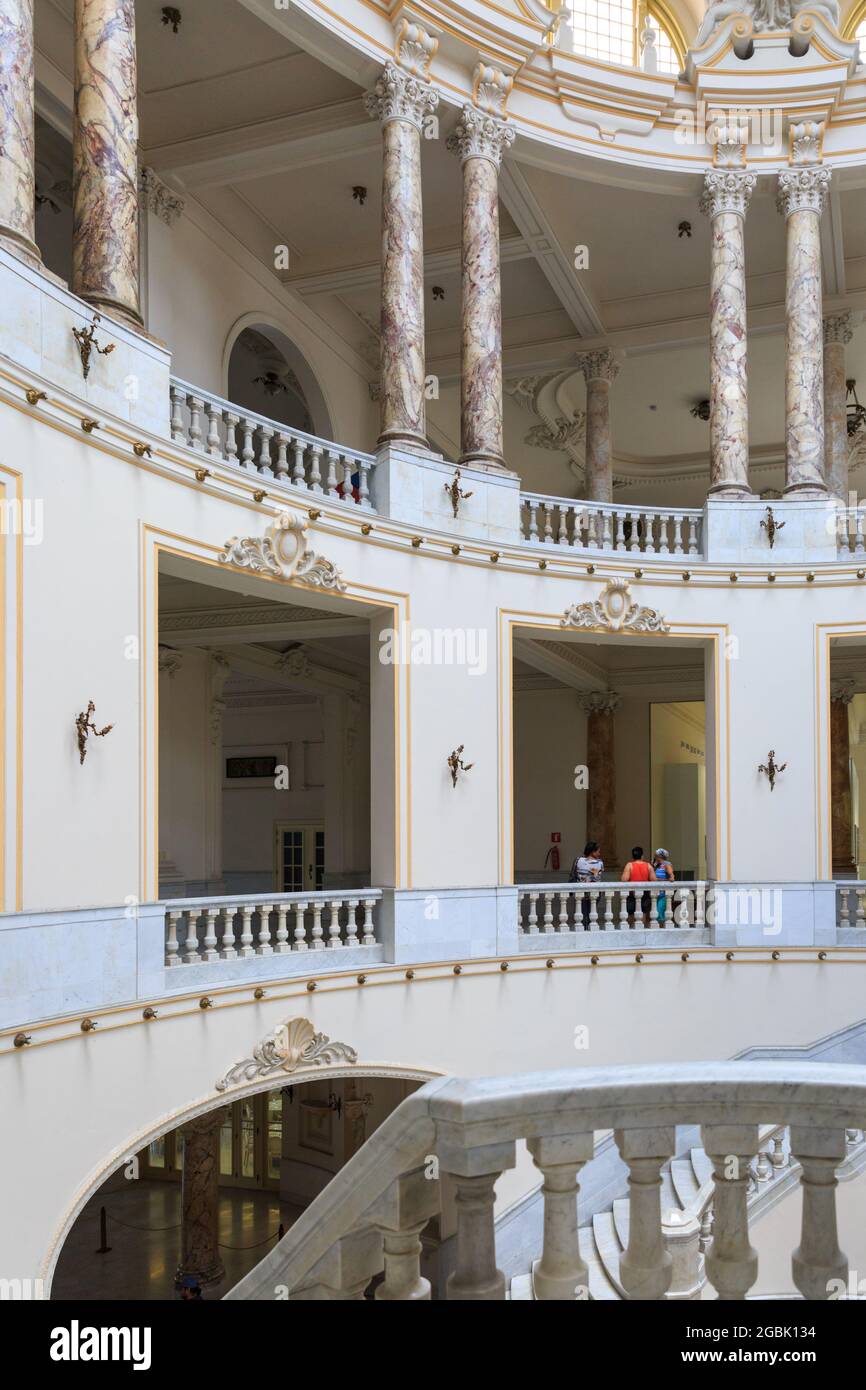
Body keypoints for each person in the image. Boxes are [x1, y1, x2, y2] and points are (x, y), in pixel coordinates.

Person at [570, 841, 603, 927]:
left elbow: (573, 874)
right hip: (594, 892)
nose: (599, 854)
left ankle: (584, 929)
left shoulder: (578, 860)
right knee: (591, 913)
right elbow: (597, 878)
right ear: (593, 851)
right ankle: (588, 929)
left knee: (582, 913)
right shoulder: (599, 863)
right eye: (598, 851)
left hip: (580, 892)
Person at [621, 846, 652, 926]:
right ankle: (642, 930)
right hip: (644, 892)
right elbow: (654, 879)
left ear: (632, 856)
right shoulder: (648, 865)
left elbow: (624, 879)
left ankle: (631, 930)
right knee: (643, 913)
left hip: (632, 893)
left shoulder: (629, 865)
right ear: (642, 856)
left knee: (630, 914)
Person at [652, 848, 675, 925]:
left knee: (660, 911)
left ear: (660, 856)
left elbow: (671, 876)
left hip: (663, 893)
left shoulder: (666, 864)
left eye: (656, 855)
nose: (655, 856)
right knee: (654, 913)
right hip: (655, 892)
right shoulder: (655, 865)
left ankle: (661, 927)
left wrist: (669, 878)